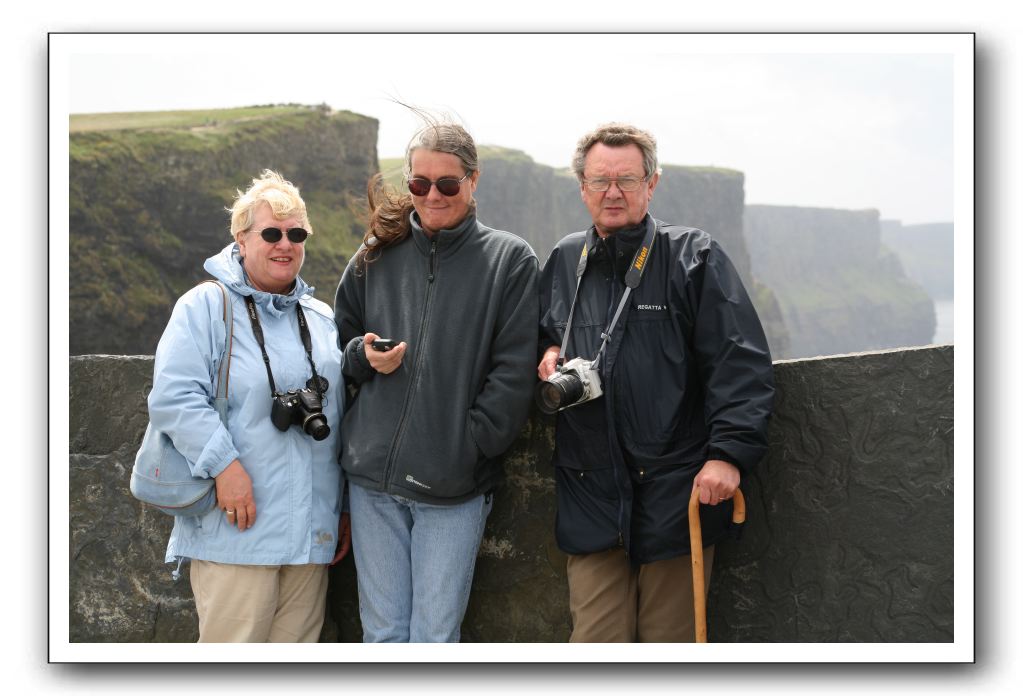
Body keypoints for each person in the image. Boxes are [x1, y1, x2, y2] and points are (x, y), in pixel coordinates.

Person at [537, 123, 774, 642]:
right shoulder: (563, 260)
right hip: (590, 491)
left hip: (674, 493)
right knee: (595, 646)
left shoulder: (693, 256)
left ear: (652, 183)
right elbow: (540, 334)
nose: (613, 192)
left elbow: (740, 363)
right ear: (582, 188)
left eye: (626, 179)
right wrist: (549, 351)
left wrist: (728, 455)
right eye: (600, 181)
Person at [334, 120, 539, 642]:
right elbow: (337, 343)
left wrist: (468, 447)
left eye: (447, 183)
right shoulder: (376, 252)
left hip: (452, 488)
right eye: (420, 183)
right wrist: (362, 356)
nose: (432, 195)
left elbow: (514, 373)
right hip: (371, 480)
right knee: (382, 636)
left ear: (473, 181)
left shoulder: (509, 260)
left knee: (434, 639)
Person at [149, 170, 349, 642]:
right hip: (237, 530)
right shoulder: (206, 307)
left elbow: (338, 418)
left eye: (296, 233)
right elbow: (173, 395)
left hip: (308, 539)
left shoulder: (320, 319)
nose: (286, 244)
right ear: (241, 238)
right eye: (271, 233)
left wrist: (338, 509)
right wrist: (224, 468)